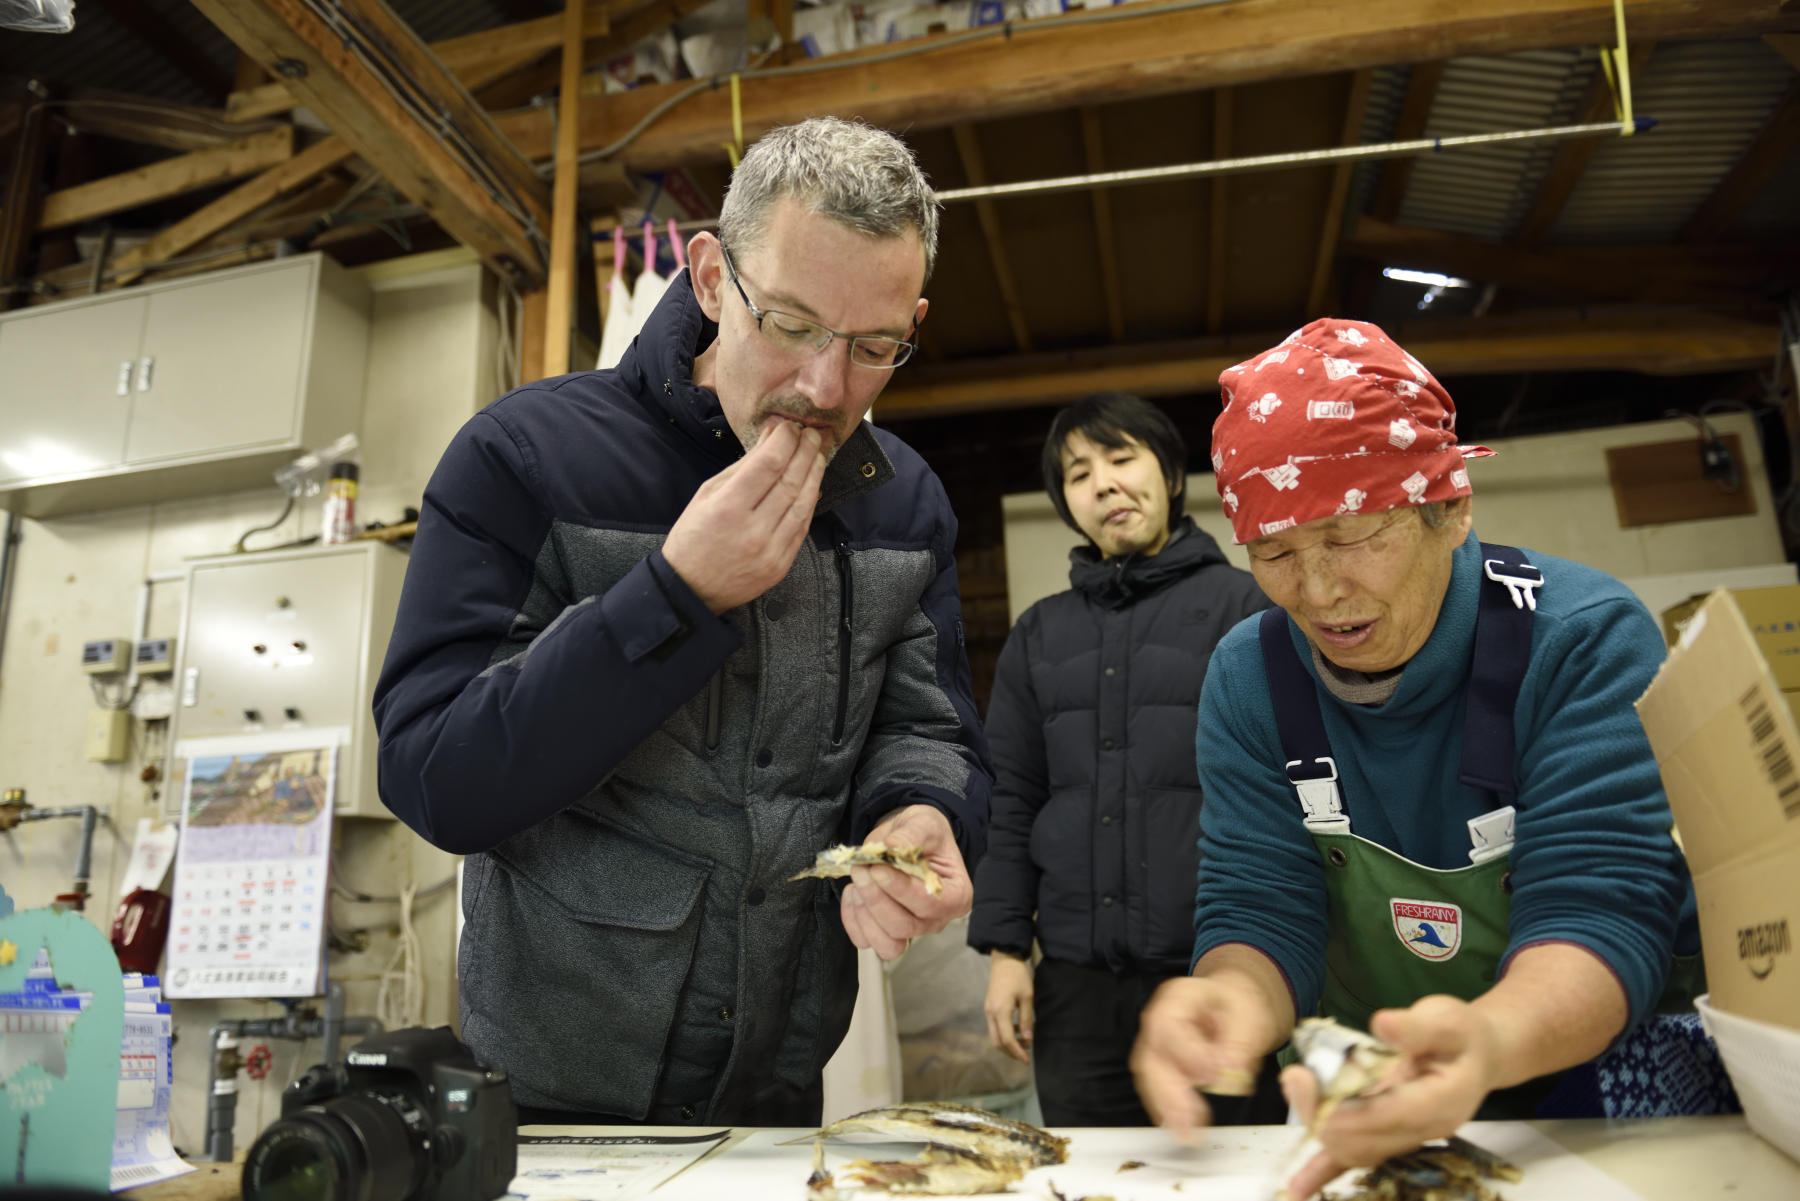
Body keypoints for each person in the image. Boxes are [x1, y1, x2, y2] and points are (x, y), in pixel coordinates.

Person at [371, 117, 992, 1127]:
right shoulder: (525, 457)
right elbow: (434, 773)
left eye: (876, 348)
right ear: (711, 278)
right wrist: (672, 596)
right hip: (549, 1106)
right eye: (789, 323)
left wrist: (919, 816)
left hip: (780, 1096)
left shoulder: (903, 500)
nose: (825, 391)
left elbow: (925, 728)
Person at [1131, 318, 1718, 1197]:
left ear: (1451, 508)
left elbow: (1601, 905)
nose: (1320, 593)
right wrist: (1232, 1002)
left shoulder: (1579, 640)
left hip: (1596, 1081)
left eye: (1352, 535)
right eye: (1277, 553)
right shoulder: (1250, 679)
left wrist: (1487, 1041)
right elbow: (1260, 904)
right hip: (1383, 1090)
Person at [967, 392, 1272, 1126]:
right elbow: (1012, 798)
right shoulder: (1039, 634)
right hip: (1075, 989)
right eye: (1078, 472)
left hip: (1216, 977)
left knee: (1230, 1176)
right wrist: (1007, 948)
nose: (1102, 482)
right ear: (1068, 503)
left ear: (1169, 474)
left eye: (1121, 456)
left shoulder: (1248, 608)